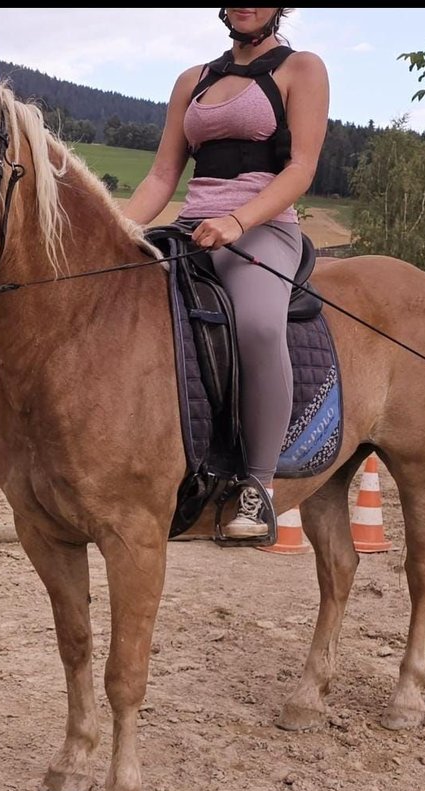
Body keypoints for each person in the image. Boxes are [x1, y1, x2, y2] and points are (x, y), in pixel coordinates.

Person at [123, 8, 330, 538]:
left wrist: (238, 221)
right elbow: (162, 175)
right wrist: (114, 227)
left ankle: (257, 488)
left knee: (258, 325)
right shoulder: (192, 81)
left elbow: (301, 168)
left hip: (262, 228)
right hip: (192, 228)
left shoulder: (301, 69)